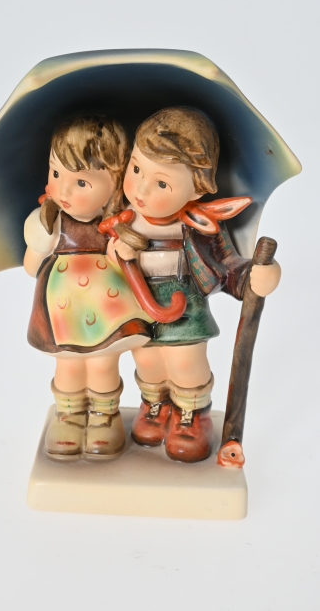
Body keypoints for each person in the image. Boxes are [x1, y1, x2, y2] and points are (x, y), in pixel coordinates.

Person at [109, 107, 281, 462]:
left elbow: (228, 268)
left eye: (162, 184)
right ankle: (154, 405)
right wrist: (117, 254)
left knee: (185, 364)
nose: (141, 188)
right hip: (138, 306)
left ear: (197, 189)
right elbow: (104, 261)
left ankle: (190, 414)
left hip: (183, 305)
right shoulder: (123, 218)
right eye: (136, 169)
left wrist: (256, 278)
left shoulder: (200, 228)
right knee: (147, 361)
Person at [23, 112, 152, 461]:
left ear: (116, 185)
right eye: (55, 173)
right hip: (62, 306)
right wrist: (38, 243)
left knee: (102, 364)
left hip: (106, 305)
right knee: (67, 366)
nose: (63, 190)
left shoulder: (117, 225)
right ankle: (69, 416)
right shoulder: (52, 222)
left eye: (81, 182)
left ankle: (104, 416)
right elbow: (31, 267)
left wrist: (123, 252)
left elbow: (129, 266)